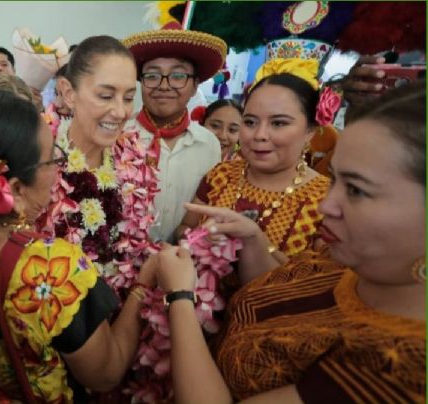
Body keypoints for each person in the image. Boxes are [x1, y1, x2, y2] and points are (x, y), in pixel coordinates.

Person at [156, 81, 426, 403]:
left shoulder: (402, 362)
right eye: (251, 121)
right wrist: (250, 238)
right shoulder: (338, 261)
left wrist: (181, 296)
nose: (328, 205)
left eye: (356, 189)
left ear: (311, 131)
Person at [0, 90, 158, 402]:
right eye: (52, 158)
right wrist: (143, 284)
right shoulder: (50, 267)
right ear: (15, 188)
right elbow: (105, 373)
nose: (58, 169)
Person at [175, 67, 332, 294]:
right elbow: (185, 227)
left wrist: (255, 241)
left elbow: (317, 289)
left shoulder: (326, 199)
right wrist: (197, 240)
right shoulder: (221, 174)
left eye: (278, 123)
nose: (259, 135)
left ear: (310, 131)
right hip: (191, 312)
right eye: (250, 122)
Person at [36, 36, 159, 284]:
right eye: (105, 96)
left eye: (128, 98)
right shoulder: (38, 158)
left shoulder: (135, 158)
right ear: (69, 93)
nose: (121, 112)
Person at [123, 24, 225, 243]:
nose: (164, 85)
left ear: (196, 85)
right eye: (152, 75)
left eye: (178, 76)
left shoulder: (209, 145)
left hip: (182, 265)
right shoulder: (119, 136)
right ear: (140, 81)